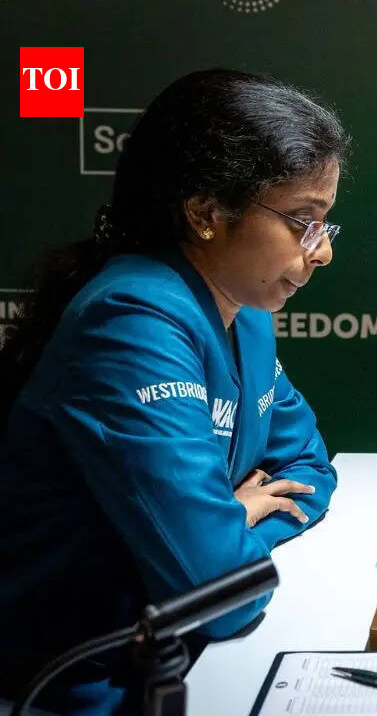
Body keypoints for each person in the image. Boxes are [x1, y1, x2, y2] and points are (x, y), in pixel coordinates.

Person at [0, 69, 348, 714]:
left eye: (325, 224)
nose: (322, 252)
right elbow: (222, 594)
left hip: (189, 657)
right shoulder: (133, 320)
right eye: (303, 221)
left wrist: (228, 530)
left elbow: (308, 468)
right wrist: (228, 526)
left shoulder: (246, 315)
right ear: (206, 213)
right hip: (87, 687)